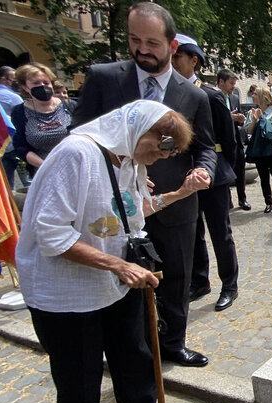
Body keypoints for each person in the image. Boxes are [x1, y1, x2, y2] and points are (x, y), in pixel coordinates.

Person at [16, 100, 203, 403]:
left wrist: (180, 194)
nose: (163, 154)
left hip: (117, 284)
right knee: (78, 375)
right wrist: (118, 265)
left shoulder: (130, 161)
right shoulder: (76, 155)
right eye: (163, 144)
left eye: (170, 150)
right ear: (138, 127)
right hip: (68, 294)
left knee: (133, 355)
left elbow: (130, 215)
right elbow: (51, 233)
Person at [72, 1, 216, 369]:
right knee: (125, 279)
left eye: (152, 43)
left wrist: (203, 172)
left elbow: (205, 149)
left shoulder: (195, 96)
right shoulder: (105, 79)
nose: (141, 50)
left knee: (177, 277)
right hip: (116, 205)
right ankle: (131, 353)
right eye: (135, 40)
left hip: (176, 204)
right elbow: (81, 137)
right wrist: (123, 169)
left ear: (171, 47)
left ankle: (172, 344)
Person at [172, 34, 241, 313]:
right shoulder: (171, 93)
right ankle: (200, 281)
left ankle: (229, 285)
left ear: (194, 60)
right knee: (193, 231)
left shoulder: (210, 95)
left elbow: (229, 138)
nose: (172, 61)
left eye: (177, 57)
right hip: (182, 172)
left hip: (212, 174)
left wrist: (226, 171)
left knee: (219, 232)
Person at [11, 63, 73, 180]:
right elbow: (20, 147)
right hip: (44, 174)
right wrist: (46, 166)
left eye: (46, 82)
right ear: (25, 87)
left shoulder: (70, 106)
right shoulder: (20, 112)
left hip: (74, 169)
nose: (43, 86)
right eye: (36, 83)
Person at [245, 87, 272, 214]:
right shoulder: (251, 113)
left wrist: (263, 119)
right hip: (259, 149)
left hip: (271, 148)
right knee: (263, 178)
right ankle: (268, 203)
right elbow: (248, 131)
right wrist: (254, 120)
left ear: (263, 97)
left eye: (255, 94)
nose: (252, 95)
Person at [0, 66, 28, 189]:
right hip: (15, 144)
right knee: (29, 181)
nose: (16, 82)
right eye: (13, 79)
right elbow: (25, 119)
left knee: (5, 184)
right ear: (3, 79)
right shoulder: (13, 97)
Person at [218, 69, 250, 210]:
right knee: (225, 173)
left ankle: (242, 200)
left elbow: (239, 118)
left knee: (240, 171)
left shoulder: (234, 98)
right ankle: (228, 201)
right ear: (221, 82)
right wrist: (229, 117)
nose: (233, 86)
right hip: (221, 143)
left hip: (236, 141)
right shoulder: (213, 98)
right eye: (231, 83)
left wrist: (241, 119)